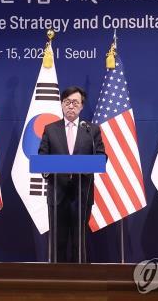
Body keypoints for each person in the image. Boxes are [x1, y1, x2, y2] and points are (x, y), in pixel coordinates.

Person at [38, 86, 105, 263]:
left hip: (82, 194)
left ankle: (80, 281)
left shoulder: (91, 130)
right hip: (57, 193)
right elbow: (42, 157)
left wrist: (88, 165)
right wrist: (46, 170)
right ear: (61, 105)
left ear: (82, 106)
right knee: (57, 240)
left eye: (75, 102)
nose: (71, 106)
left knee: (79, 240)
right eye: (67, 102)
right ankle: (55, 281)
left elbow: (101, 156)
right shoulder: (50, 129)